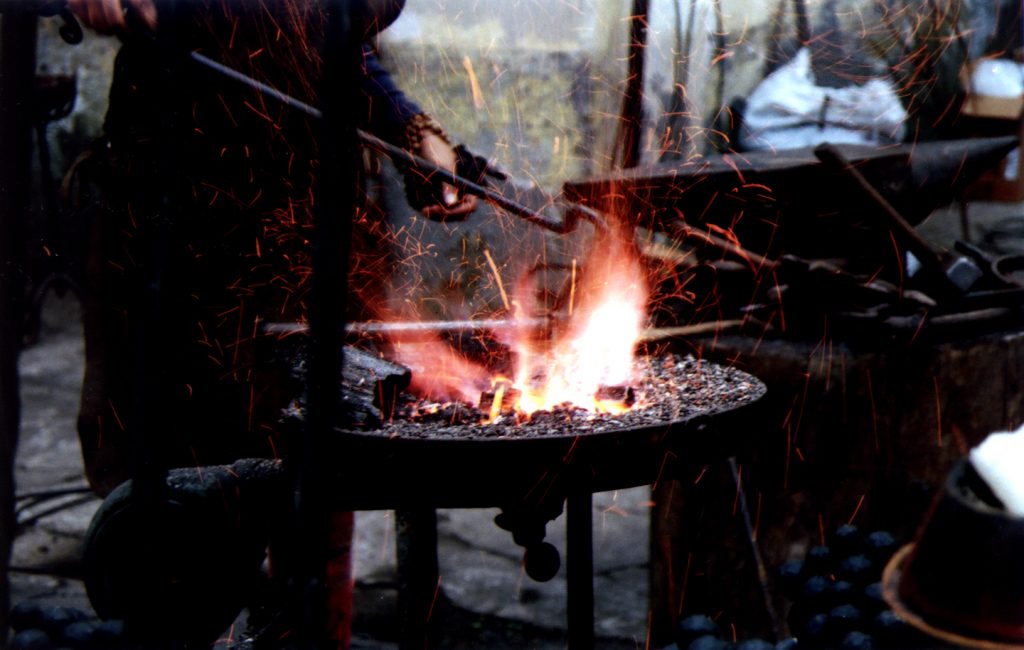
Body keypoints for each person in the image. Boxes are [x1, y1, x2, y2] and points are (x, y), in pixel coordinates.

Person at [68, 0, 477, 496]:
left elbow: (328, 38)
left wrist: (407, 127)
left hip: (307, 206)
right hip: (170, 207)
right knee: (167, 475)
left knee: (315, 449)